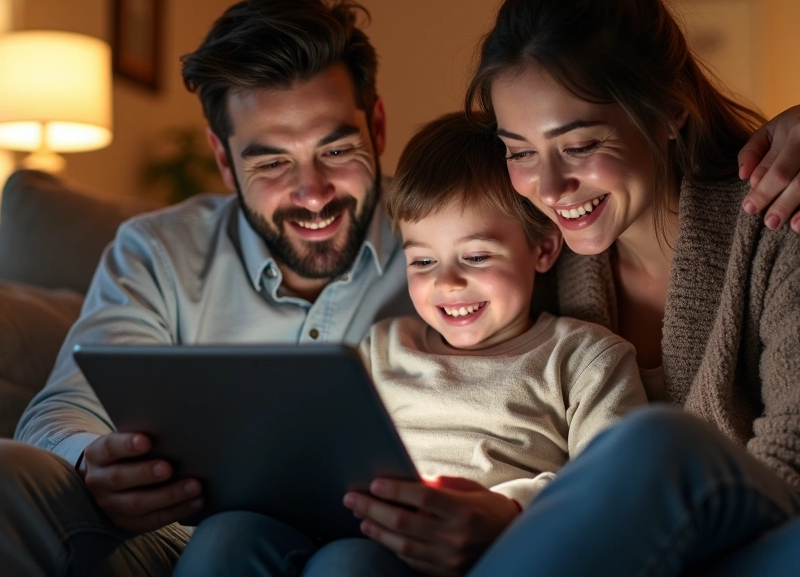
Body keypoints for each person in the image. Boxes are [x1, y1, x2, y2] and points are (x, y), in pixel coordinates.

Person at [0, 0, 800, 576]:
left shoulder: (471, 235)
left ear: (377, 129)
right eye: (268, 160)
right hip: (176, 521)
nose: (311, 190)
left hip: (387, 532)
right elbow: (67, 401)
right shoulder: (157, 248)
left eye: (334, 147)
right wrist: (92, 462)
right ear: (220, 158)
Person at [341, 0, 800, 575]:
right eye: (520, 150)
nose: (548, 187)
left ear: (668, 111)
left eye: (578, 145)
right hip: (626, 553)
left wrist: (543, 527)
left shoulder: (797, 216)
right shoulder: (533, 254)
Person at [174, 112, 648, 576]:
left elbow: (611, 492)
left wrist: (511, 508)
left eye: (477, 256)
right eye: (422, 262)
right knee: (224, 536)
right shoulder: (383, 345)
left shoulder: (583, 358)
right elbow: (323, 451)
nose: (448, 282)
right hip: (350, 528)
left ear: (542, 248)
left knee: (348, 564)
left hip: (471, 552)